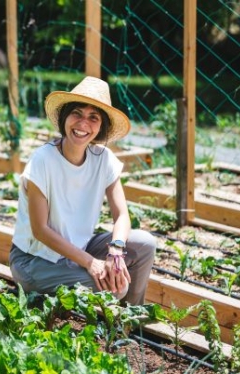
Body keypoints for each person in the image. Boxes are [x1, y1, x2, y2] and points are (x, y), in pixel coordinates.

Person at [9, 76, 156, 306]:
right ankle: (108, 325)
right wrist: (90, 262)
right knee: (116, 288)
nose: (83, 123)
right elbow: (40, 230)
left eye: (93, 117)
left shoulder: (103, 159)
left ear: (101, 127)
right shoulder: (43, 160)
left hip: (79, 249)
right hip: (35, 261)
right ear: (64, 117)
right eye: (76, 113)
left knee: (145, 244)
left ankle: (129, 323)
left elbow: (122, 216)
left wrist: (115, 251)